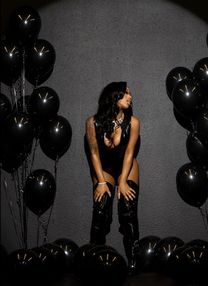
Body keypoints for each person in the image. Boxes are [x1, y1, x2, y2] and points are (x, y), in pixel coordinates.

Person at [85, 81, 140, 274]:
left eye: (130, 94)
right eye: (125, 94)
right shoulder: (92, 122)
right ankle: (95, 257)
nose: (130, 97)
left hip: (127, 166)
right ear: (114, 97)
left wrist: (123, 181)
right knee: (101, 210)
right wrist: (101, 182)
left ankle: (134, 261)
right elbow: (93, 154)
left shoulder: (133, 122)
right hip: (105, 168)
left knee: (128, 209)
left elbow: (129, 154)